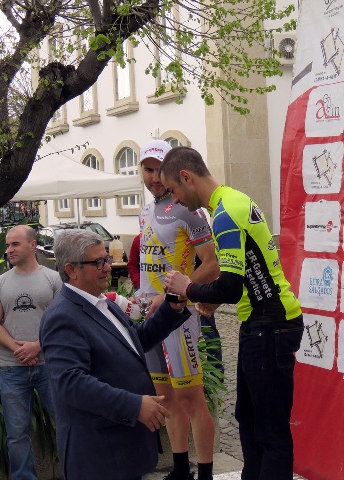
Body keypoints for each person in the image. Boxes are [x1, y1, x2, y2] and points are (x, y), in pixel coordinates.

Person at [160, 146, 304, 480]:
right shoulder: (232, 202)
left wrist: (188, 288)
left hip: (271, 324)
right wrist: (211, 299)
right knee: (249, 418)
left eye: (174, 190)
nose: (175, 200)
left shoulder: (225, 213)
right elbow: (239, 280)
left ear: (186, 177)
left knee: (270, 430)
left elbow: (231, 286)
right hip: (262, 322)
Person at [39, 229, 192, 480]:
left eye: (107, 258)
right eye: (98, 262)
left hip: (122, 447)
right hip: (98, 454)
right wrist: (133, 405)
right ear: (71, 270)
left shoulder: (103, 303)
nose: (108, 267)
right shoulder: (62, 316)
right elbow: (70, 382)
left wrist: (172, 307)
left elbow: (136, 341)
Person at [137, 139, 220, 480]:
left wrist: (177, 294)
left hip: (179, 319)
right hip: (149, 316)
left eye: (159, 170)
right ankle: (181, 469)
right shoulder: (146, 210)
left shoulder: (188, 208)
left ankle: (205, 472)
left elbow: (212, 263)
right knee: (165, 399)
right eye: (148, 169)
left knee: (190, 399)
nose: (154, 177)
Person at [0, 225, 62, 480]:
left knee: (64, 424)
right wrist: (18, 348)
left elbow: (64, 321)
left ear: (32, 245)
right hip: (12, 367)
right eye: (8, 245)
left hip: (49, 364)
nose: (9, 250)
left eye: (15, 244)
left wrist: (38, 345)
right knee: (16, 433)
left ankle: (76, 471)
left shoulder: (53, 279)